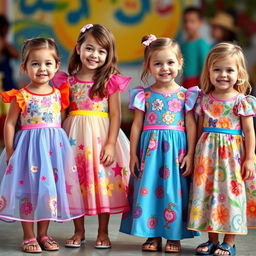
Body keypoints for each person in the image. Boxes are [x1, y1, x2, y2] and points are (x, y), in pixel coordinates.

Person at [0, 38, 84, 253]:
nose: (42, 68)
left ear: (57, 66)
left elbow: (61, 123)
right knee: (27, 191)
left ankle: (43, 234)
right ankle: (28, 236)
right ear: (24, 67)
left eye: (48, 63)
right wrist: (10, 151)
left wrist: (63, 153)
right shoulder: (21, 95)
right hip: (27, 151)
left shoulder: (59, 94)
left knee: (48, 192)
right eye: (35, 63)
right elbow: (10, 124)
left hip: (52, 151)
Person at [52, 24, 131, 249]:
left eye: (101, 51)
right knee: (76, 184)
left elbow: (115, 115)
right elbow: (62, 113)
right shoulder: (67, 81)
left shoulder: (109, 81)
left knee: (102, 182)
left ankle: (103, 232)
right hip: (73, 138)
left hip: (100, 138)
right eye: (89, 48)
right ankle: (79, 231)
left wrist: (111, 143)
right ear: (78, 48)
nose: (94, 55)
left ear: (108, 55)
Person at [119, 34, 200, 253]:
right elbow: (136, 126)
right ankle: (152, 235)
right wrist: (133, 154)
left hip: (176, 151)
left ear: (180, 63)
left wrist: (191, 154)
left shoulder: (186, 95)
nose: (164, 68)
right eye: (157, 63)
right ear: (148, 66)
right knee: (150, 190)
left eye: (170, 62)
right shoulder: (143, 95)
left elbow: (191, 126)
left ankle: (174, 236)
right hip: (150, 153)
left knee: (174, 192)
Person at [187, 42, 256, 256]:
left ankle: (229, 241)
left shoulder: (241, 101)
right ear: (209, 71)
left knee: (229, 196)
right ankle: (211, 239)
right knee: (207, 194)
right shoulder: (204, 99)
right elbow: (199, 130)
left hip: (232, 158)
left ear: (239, 73)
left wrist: (250, 158)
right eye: (217, 69)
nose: (223, 74)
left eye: (229, 70)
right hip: (206, 157)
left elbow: (249, 131)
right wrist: (195, 155)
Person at [179, 6, 210, 88]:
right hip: (184, 82)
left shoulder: (201, 44)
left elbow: (205, 68)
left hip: (196, 84)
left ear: (200, 22)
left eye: (192, 21)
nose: (188, 25)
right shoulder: (183, 44)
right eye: (185, 21)